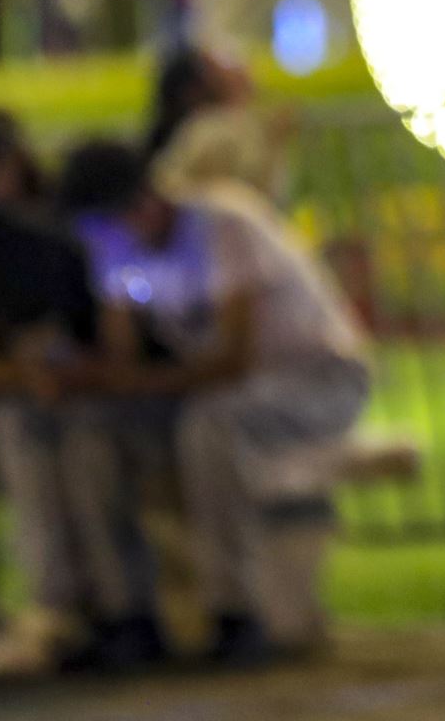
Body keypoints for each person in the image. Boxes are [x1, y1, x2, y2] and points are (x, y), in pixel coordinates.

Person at [59, 141, 370, 660]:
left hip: (315, 379)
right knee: (93, 434)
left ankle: (236, 610)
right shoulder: (119, 248)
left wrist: (130, 381)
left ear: (143, 200)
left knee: (212, 424)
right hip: (215, 390)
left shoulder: (222, 222)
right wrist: (101, 375)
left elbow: (233, 360)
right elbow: (124, 356)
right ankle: (127, 615)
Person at [0, 114, 159, 674]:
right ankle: (62, 610)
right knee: (25, 435)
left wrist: (54, 372)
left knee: (84, 445)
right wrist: (25, 373)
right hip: (35, 402)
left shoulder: (55, 240)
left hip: (101, 396)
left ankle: (119, 613)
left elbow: (117, 346)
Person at [144, 45, 285, 200]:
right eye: (224, 63)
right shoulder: (208, 131)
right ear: (194, 92)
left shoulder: (237, 126)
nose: (242, 66)